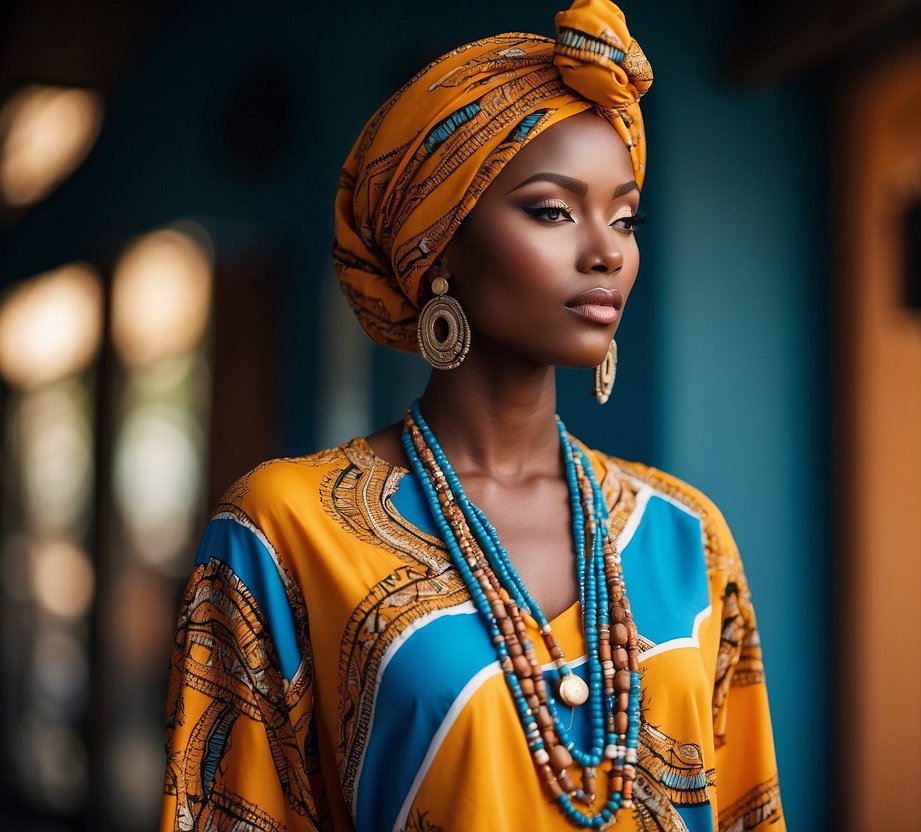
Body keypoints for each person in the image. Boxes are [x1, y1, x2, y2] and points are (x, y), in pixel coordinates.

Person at [161, 1, 783, 829]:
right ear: (436, 243)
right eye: (553, 211)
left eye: (625, 217)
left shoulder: (690, 539)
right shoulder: (284, 532)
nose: (606, 250)